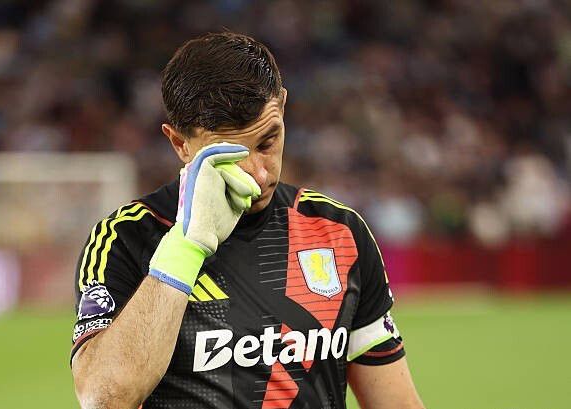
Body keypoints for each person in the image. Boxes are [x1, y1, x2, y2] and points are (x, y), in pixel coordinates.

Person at [70, 32, 424, 409]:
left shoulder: (338, 232)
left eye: (268, 142)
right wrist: (185, 248)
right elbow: (104, 398)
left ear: (282, 106)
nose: (259, 173)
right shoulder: (126, 238)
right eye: (231, 155)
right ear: (180, 144)